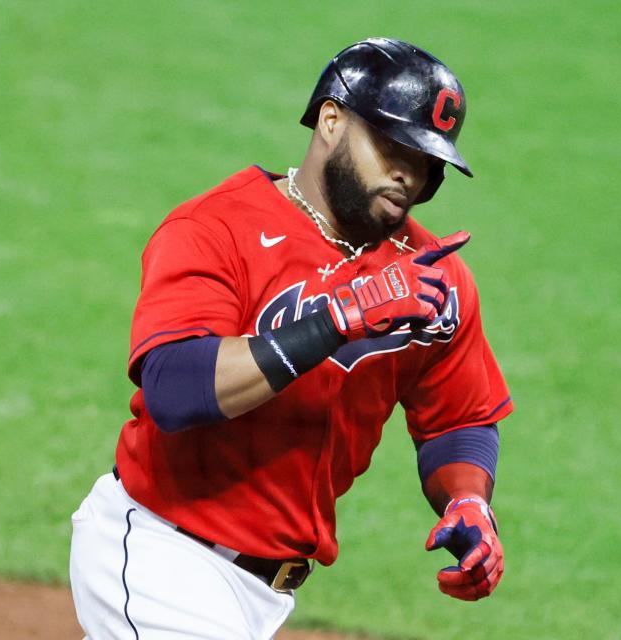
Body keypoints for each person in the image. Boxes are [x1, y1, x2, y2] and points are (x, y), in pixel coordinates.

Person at [69, 37, 514, 639]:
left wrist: (468, 499)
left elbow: (456, 420)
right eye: (392, 145)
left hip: (262, 595)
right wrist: (337, 319)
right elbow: (174, 389)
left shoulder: (434, 274)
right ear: (331, 118)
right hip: (161, 555)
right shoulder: (215, 229)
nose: (410, 172)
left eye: (429, 160)